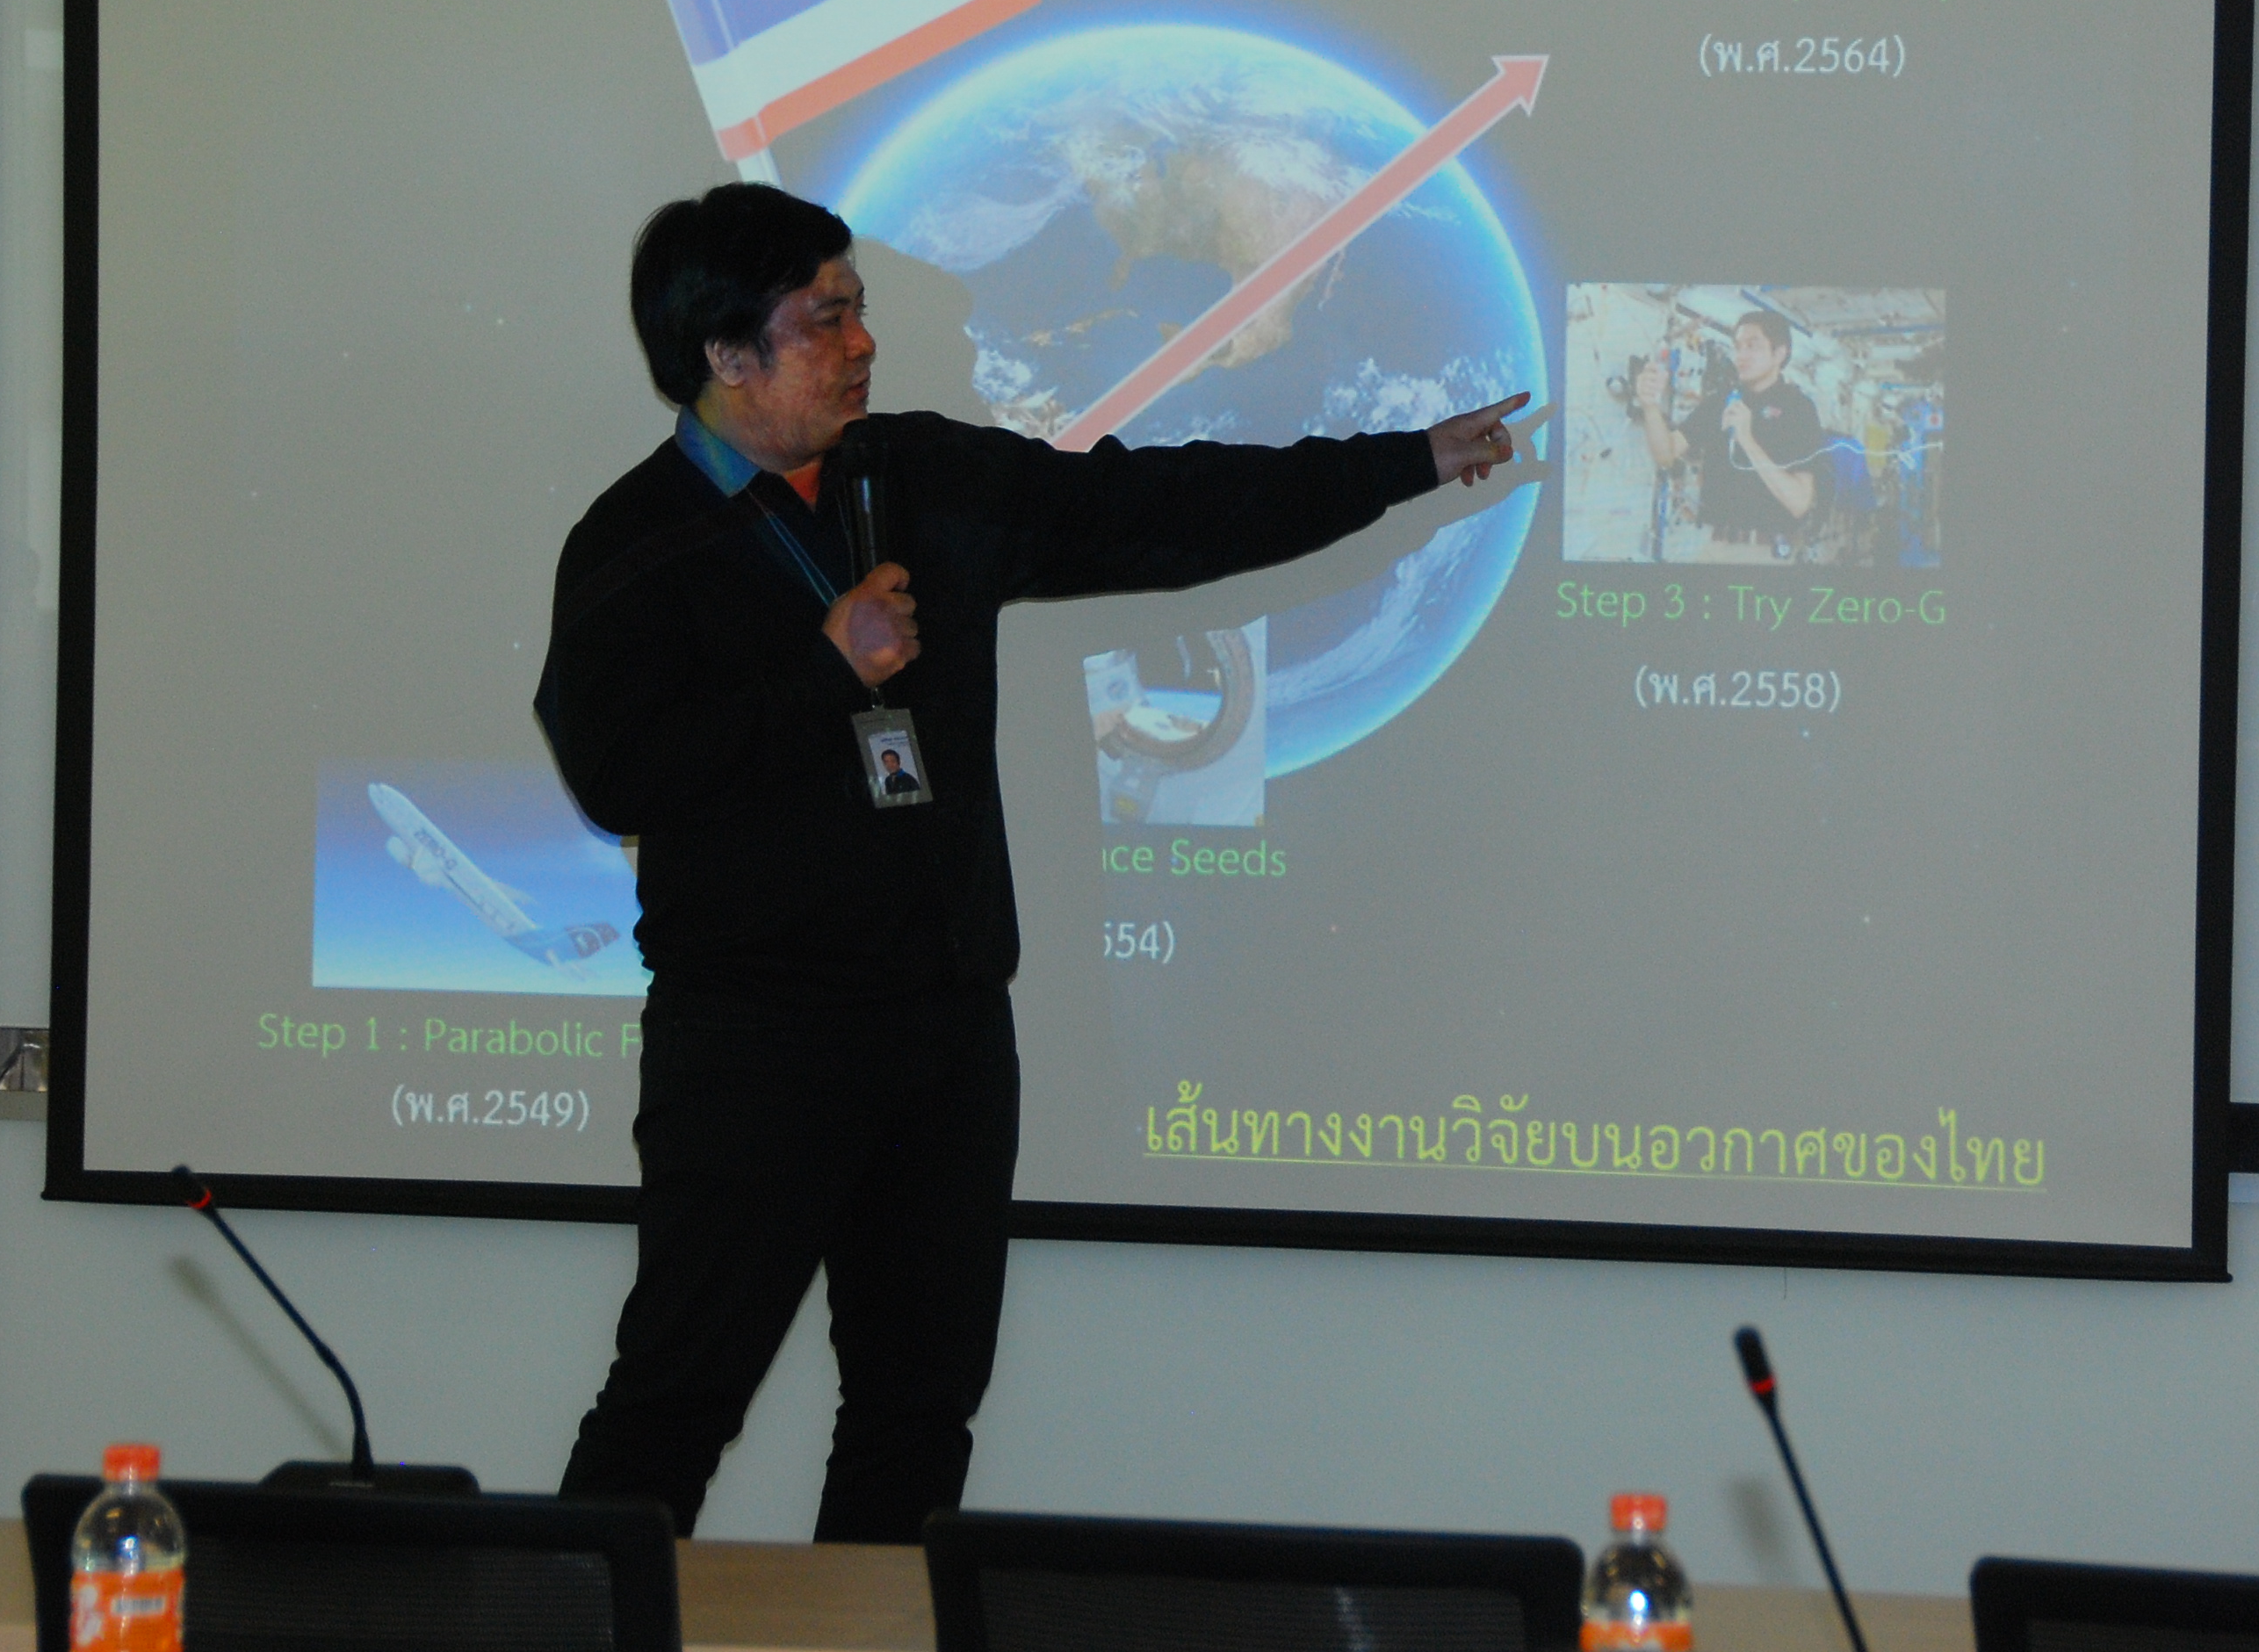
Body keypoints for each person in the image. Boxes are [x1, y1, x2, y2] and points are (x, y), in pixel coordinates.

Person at [537, 183, 1524, 1541]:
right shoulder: (634, 547)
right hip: (758, 1044)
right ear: (724, 351)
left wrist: (1400, 461)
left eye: (860, 309)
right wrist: (823, 669)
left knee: (916, 1413)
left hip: (945, 1036)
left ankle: (867, 1639)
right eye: (826, 319)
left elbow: (1157, 507)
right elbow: (618, 775)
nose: (864, 342)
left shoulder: (916, 478)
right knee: (674, 1404)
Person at [1632, 309, 1824, 558]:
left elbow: (1799, 503)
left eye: (1752, 346)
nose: (1741, 356)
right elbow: (1666, 455)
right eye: (1738, 347)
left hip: (1766, 552)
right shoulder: (1719, 403)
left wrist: (1747, 439)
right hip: (1715, 545)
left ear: (1779, 353)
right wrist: (1650, 407)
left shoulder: (1798, 409)